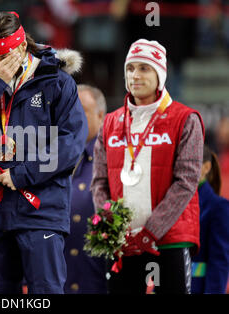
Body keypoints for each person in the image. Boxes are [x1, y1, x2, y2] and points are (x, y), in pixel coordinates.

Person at [0, 11, 88, 294]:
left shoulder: (56, 81)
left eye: (5, 56)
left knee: (45, 291)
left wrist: (23, 173)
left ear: (22, 45)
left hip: (40, 209)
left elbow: (71, 142)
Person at [91, 39, 205, 294]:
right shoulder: (109, 123)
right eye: (130, 68)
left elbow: (186, 182)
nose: (135, 75)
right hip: (123, 243)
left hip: (168, 242)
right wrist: (109, 223)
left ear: (160, 74)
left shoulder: (185, 119)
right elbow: (99, 182)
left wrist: (150, 233)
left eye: (144, 68)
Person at [64, 84, 107, 294]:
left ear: (101, 115)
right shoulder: (57, 157)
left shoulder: (111, 157)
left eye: (82, 110)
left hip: (96, 279)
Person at [191, 145, 229, 294]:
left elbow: (219, 262)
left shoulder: (218, 207)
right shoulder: (171, 202)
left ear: (206, 167)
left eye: (191, 163)